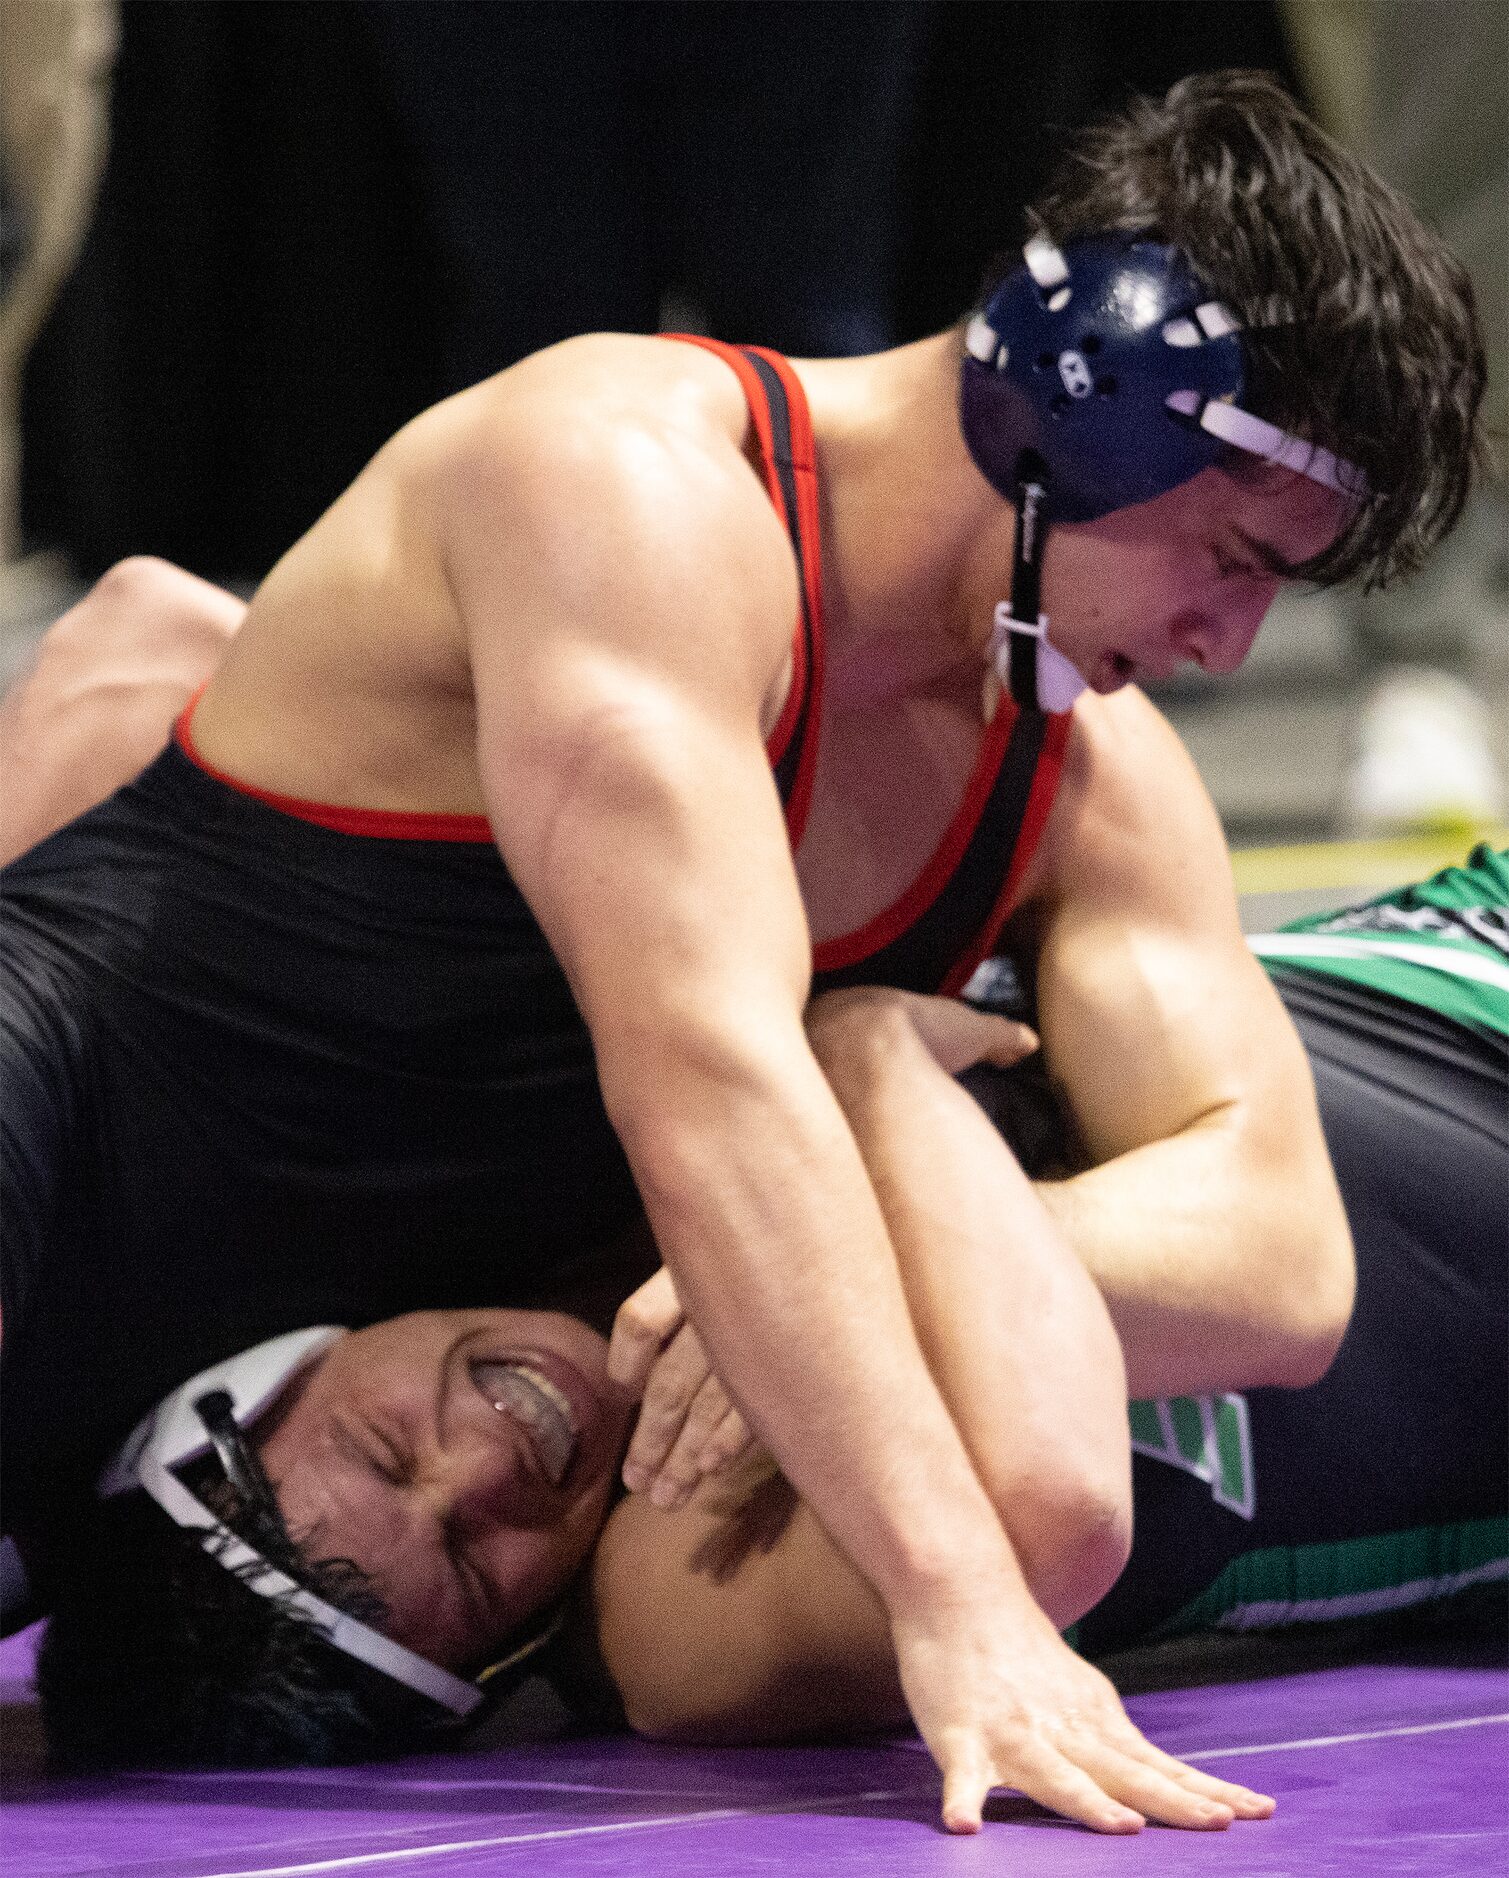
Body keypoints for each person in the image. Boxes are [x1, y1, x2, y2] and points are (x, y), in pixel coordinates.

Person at [0, 72, 1486, 1832]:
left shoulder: (1072, 769)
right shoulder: (630, 483)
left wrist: (845, 1188)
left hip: (343, 1358)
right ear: (1069, 422)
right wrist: (959, 1607)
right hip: (82, 1159)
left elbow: (1278, 1267)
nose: (1231, 646)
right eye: (1231, 562)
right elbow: (704, 1077)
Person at [32, 848, 1506, 1797]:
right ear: (502, 1670)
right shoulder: (674, 1614)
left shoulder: (493, 1158)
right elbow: (1052, 1501)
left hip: (1434, 976)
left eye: (381, 1438)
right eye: (475, 1568)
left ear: (292, 1358)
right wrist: (859, 1065)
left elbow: (153, 632)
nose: (485, 1465)